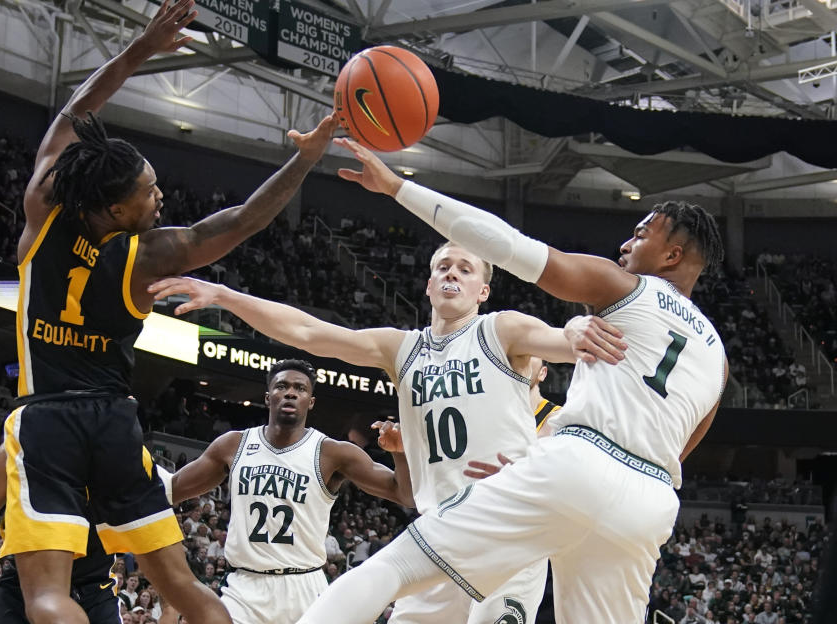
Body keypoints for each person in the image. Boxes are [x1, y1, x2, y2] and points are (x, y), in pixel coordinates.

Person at [282, 138, 727, 624]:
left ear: (672, 255)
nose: (625, 244)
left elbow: (510, 246)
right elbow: (677, 450)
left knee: (397, 567)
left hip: (581, 464)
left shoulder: (626, 286)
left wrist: (396, 188)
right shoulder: (718, 358)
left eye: (641, 235)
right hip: (651, 500)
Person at [6, 0, 336, 624]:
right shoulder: (145, 257)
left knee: (47, 598)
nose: (160, 198)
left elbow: (74, 113)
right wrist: (307, 157)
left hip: (44, 419)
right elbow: (241, 221)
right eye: (147, 193)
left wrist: (140, 50)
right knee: (185, 591)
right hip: (113, 425)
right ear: (114, 212)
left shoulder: (43, 210)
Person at [148, 253, 626, 624]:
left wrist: (578, 325)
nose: (451, 274)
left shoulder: (501, 329)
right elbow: (309, 332)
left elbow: (567, 346)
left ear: (483, 290)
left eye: (465, 268)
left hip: (508, 525)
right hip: (439, 532)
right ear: (428, 284)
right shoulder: (401, 348)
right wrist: (227, 296)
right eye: (442, 267)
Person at [162, 359, 414, 624]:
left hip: (304, 585)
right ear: (268, 397)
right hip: (245, 588)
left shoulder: (331, 452)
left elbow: (404, 495)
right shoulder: (233, 445)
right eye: (282, 386)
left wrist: (400, 455)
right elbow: (172, 490)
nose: (291, 392)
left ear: (311, 401)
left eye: (300, 388)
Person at [0, 446, 122, 624]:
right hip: (22, 585)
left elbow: (149, 541)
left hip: (94, 589)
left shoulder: (123, 455)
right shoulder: (16, 444)